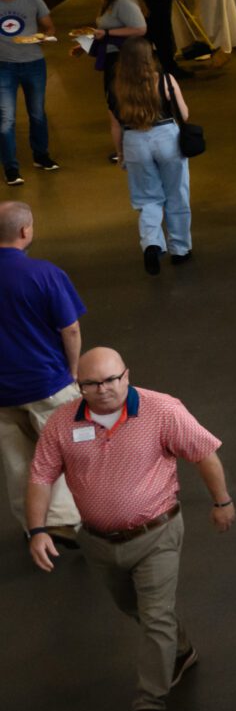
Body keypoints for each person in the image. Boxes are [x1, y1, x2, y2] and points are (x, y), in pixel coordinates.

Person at [25, 348, 229, 711]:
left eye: (112, 379)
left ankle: (149, 705)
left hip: (157, 533)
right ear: (79, 387)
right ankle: (180, 650)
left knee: (155, 617)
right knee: (133, 606)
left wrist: (223, 502)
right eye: (92, 384)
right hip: (99, 543)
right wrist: (37, 530)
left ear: (126, 375)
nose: (104, 389)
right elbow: (40, 477)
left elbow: (204, 454)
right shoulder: (61, 424)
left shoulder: (161, 410)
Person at [0, 203, 82, 539]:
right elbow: (70, 329)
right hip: (47, 381)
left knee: (16, 460)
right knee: (64, 451)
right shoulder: (45, 274)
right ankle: (63, 521)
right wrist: (74, 370)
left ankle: (33, 526)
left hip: (2, 392)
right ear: (25, 231)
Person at [112, 43, 194, 272]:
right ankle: (180, 248)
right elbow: (184, 114)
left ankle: (151, 243)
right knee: (177, 192)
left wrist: (120, 153)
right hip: (166, 136)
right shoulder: (166, 81)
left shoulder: (117, 87)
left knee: (147, 198)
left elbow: (115, 125)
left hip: (134, 140)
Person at [0, 0, 59, 183]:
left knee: (37, 113)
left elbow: (49, 27)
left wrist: (43, 37)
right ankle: (11, 168)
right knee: (6, 118)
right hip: (3, 66)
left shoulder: (33, 0)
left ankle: (41, 156)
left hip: (34, 63)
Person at [90, 0, 151, 158]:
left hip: (123, 59)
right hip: (111, 58)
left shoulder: (123, 0)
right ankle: (124, 147)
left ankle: (130, 148)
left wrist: (106, 33)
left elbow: (140, 28)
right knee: (114, 101)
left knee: (120, 101)